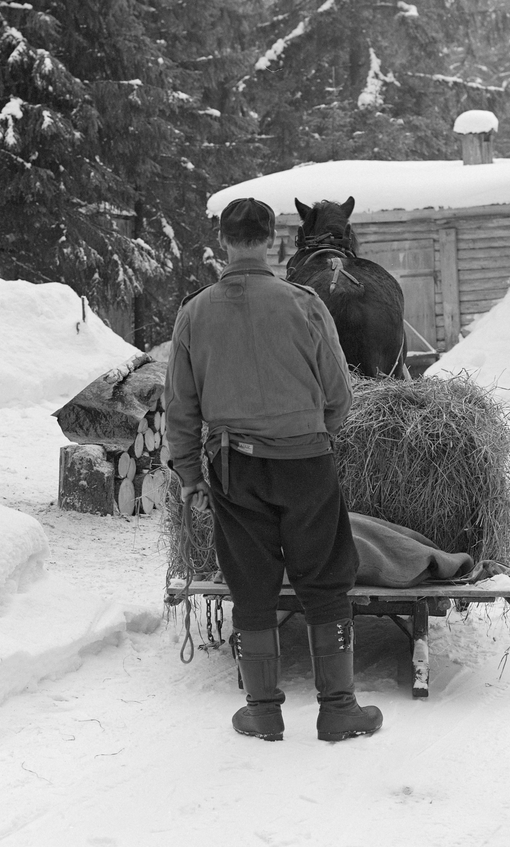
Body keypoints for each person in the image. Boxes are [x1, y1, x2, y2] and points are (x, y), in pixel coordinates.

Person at [163, 197, 382, 742]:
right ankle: (337, 710)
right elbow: (338, 393)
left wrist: (191, 473)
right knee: (326, 576)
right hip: (306, 460)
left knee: (251, 580)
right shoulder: (304, 304)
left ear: (222, 240)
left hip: (236, 468)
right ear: (273, 239)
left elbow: (181, 407)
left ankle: (263, 711)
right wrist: (316, 431)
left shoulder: (195, 312)